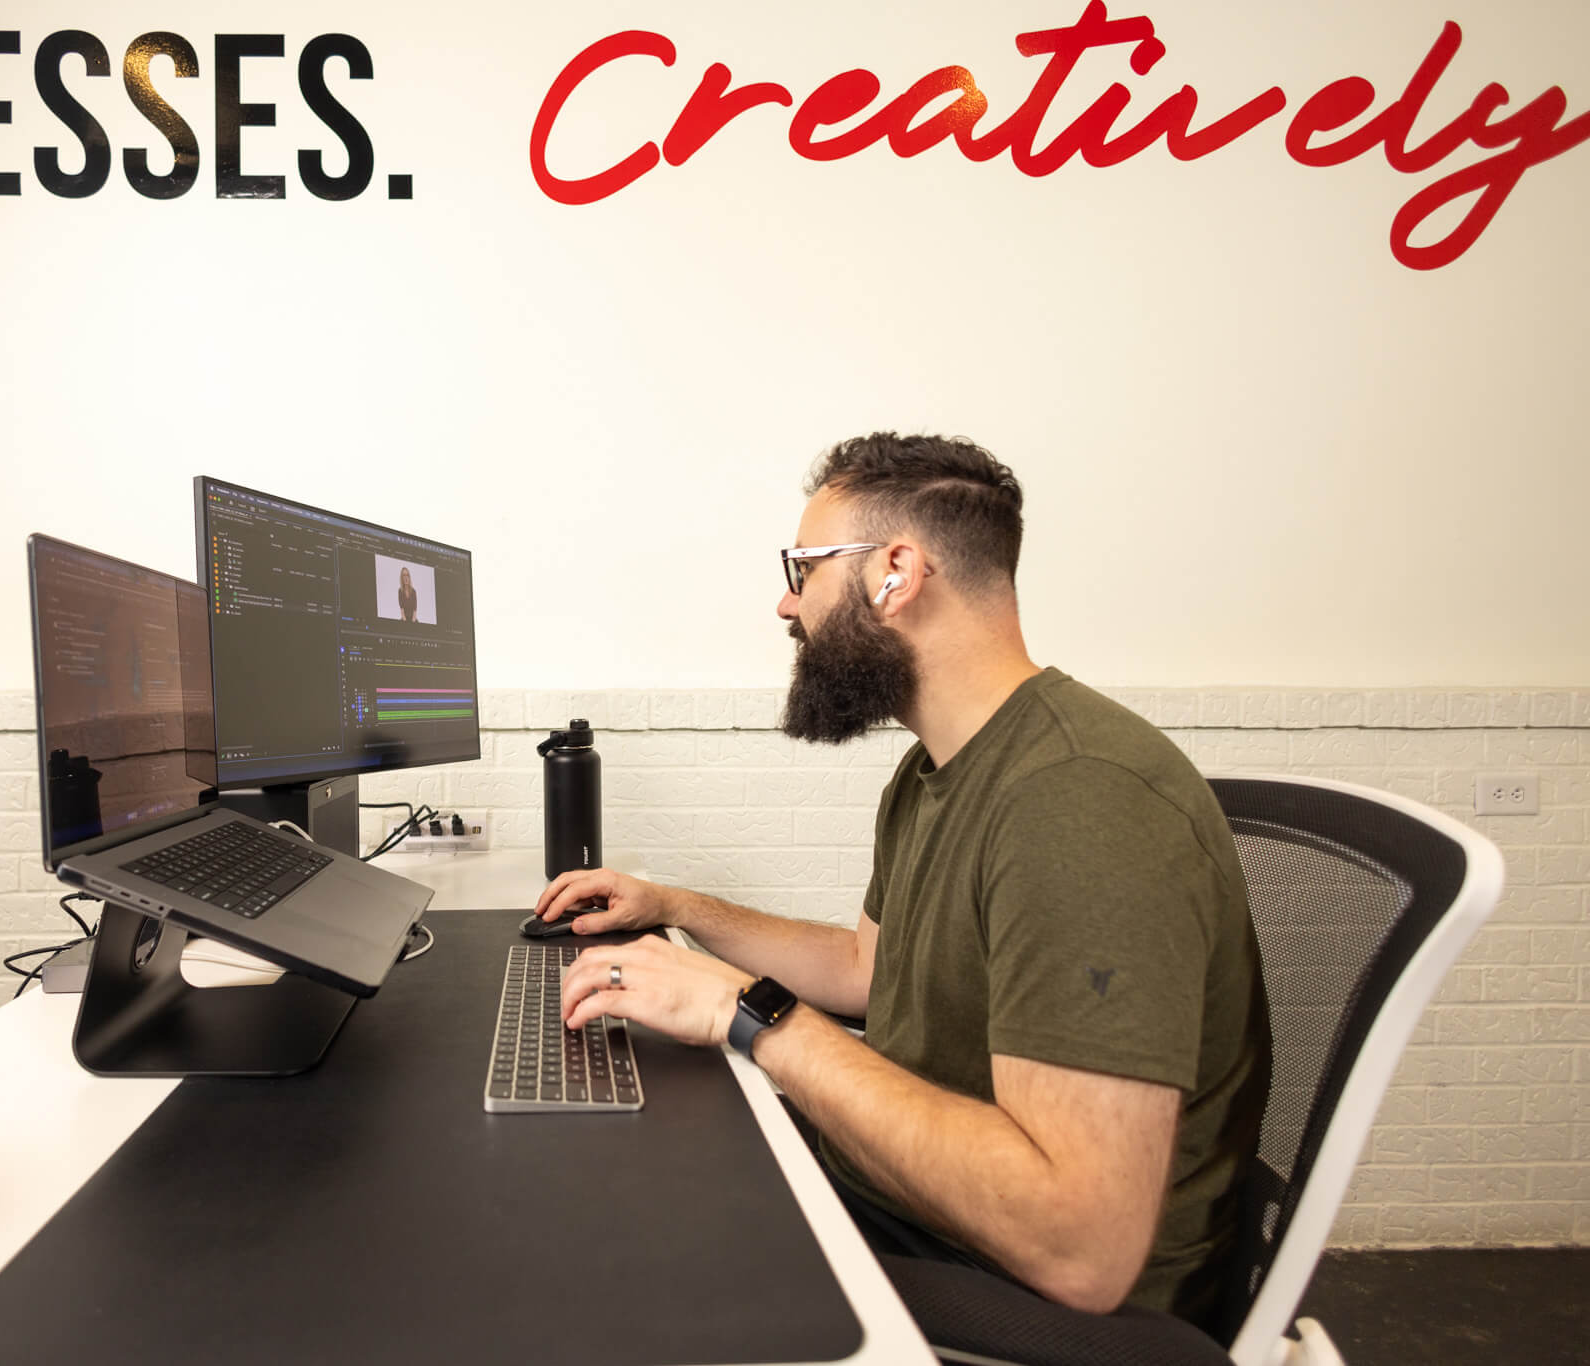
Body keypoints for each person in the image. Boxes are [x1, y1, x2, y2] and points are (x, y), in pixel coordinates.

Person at [533, 432, 1269, 1332]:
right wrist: (678, 909)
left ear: (895, 572)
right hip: (903, 1204)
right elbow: (866, 973)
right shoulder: (936, 771)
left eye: (803, 569)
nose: (785, 602)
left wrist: (750, 1013)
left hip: (1015, 1297)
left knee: (602, 1276)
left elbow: (1080, 1249)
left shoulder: (1080, 799)